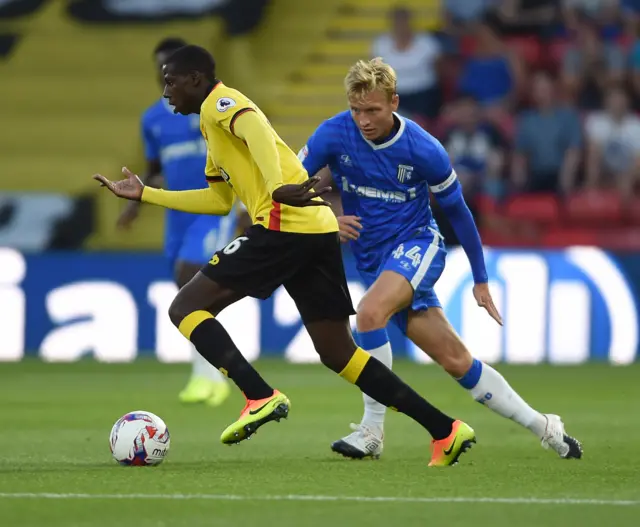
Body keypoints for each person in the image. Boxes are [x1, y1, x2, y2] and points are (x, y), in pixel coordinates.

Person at [93, 45, 477, 467]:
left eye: (171, 81)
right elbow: (220, 201)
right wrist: (147, 194)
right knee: (337, 352)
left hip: (282, 224)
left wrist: (276, 186)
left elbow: (254, 124)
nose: (165, 92)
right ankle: (445, 429)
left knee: (185, 306)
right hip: (314, 230)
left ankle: (258, 395)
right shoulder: (209, 126)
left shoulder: (223, 103)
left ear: (196, 80)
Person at [298, 57, 583, 461]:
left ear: (394, 102)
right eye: (356, 110)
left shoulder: (423, 148)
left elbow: (459, 213)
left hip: (418, 244)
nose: (363, 120)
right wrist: (327, 214)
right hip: (373, 260)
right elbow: (291, 186)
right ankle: (545, 425)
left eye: (373, 110)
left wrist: (480, 278)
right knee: (456, 361)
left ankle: (372, 431)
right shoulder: (332, 134)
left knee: (368, 313)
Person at [117, 37, 246, 407]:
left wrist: (242, 204)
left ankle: (216, 375)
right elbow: (155, 171)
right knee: (183, 287)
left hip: (212, 207)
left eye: (170, 68)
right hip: (176, 211)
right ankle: (205, 375)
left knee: (190, 276)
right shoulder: (152, 119)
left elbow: (235, 154)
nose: (165, 76)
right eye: (160, 68)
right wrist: (134, 206)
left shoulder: (206, 110)